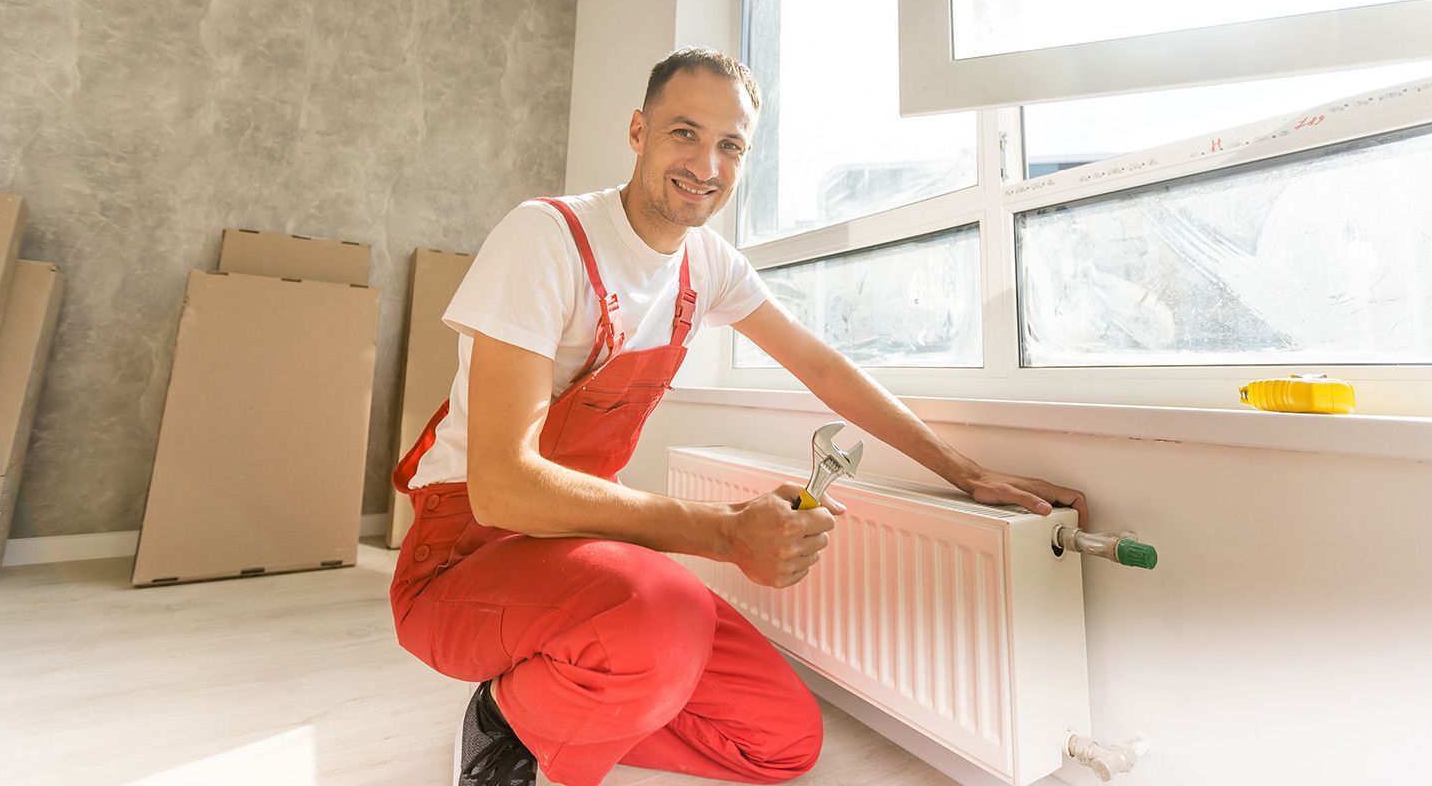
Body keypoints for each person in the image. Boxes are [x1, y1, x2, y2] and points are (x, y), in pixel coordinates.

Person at [390, 47, 1089, 786]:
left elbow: (823, 368)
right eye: (684, 133)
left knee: (780, 741)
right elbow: (504, 489)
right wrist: (725, 532)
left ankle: (553, 691)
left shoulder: (708, 265)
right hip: (464, 559)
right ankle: (507, 720)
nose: (707, 165)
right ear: (638, 131)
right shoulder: (547, 237)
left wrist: (967, 472)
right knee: (658, 617)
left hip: (576, 550)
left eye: (731, 145)